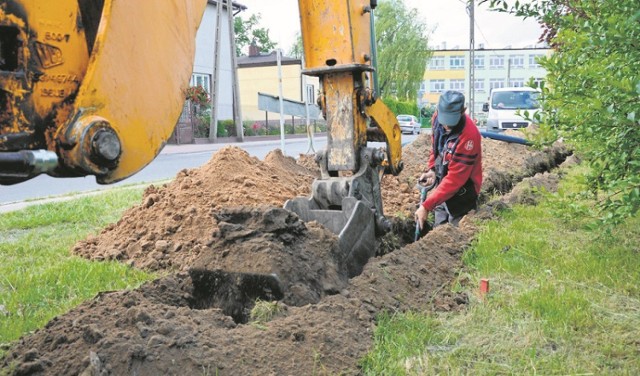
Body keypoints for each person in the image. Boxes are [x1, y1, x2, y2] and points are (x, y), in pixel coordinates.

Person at [415, 90, 482, 229]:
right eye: (444, 121)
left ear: (462, 111)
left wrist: (426, 206)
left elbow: (455, 180)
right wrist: (432, 169)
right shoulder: (436, 118)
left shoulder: (469, 136)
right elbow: (436, 147)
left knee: (456, 236)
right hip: (443, 184)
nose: (446, 126)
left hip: (463, 192)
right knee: (439, 230)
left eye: (450, 123)